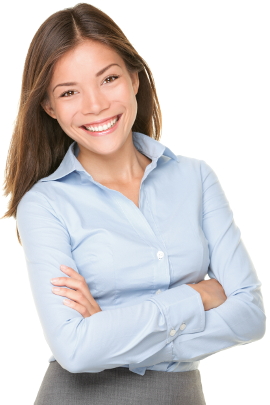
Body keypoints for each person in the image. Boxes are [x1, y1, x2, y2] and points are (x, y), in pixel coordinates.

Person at [1, 3, 266, 405]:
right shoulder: (46, 204)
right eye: (69, 92)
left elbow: (250, 315)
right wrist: (198, 295)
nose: (95, 104)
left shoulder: (195, 178)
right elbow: (75, 350)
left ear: (135, 79)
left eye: (108, 79)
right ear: (49, 108)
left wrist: (109, 328)